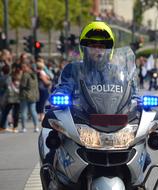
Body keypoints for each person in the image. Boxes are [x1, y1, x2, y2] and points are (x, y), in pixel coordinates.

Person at [50, 20, 151, 170]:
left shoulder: (119, 72)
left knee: (144, 158)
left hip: (115, 122)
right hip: (83, 121)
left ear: (109, 49)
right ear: (84, 48)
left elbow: (132, 93)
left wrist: (138, 102)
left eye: (102, 46)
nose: (98, 50)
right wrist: (60, 96)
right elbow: (65, 87)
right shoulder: (73, 69)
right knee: (54, 151)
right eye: (93, 46)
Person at [19, 61, 40, 133]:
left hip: (25, 95)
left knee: (24, 112)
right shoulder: (34, 75)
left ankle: (24, 127)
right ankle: (36, 127)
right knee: (33, 111)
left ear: (27, 67)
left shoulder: (25, 75)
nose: (22, 68)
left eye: (23, 67)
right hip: (33, 95)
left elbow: (23, 85)